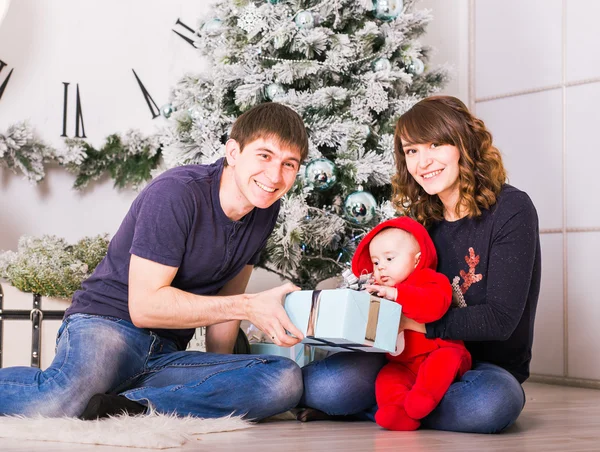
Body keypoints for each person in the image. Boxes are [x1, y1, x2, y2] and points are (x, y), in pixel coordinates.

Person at [0, 102, 309, 421]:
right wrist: (247, 306)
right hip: (108, 326)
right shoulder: (177, 193)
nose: (275, 176)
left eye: (289, 164)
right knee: (61, 403)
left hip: (166, 351)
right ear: (233, 152)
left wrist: (223, 373)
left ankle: (126, 406)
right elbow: (145, 307)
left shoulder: (265, 211)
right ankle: (99, 399)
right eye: (265, 155)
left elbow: (226, 302)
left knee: (282, 381)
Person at [299, 95, 540, 434]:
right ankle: (401, 407)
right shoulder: (419, 224)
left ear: (463, 144)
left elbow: (500, 320)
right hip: (411, 357)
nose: (423, 161)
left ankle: (382, 410)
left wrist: (418, 325)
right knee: (326, 386)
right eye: (411, 151)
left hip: (484, 366)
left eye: (435, 144)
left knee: (489, 406)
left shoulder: (511, 210)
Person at [353, 216, 471, 431]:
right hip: (404, 363)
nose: (381, 268)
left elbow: (433, 307)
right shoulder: (379, 290)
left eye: (389, 259)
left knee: (442, 363)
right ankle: (397, 412)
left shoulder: (431, 280)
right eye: (376, 262)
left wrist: (397, 294)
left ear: (416, 260)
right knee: (388, 377)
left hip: (441, 352)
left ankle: (423, 399)